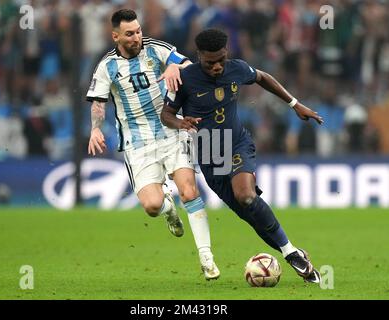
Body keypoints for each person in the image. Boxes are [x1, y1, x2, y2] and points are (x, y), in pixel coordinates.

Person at [161, 28, 324, 283]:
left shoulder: (237, 68)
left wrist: (295, 104)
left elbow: (262, 77)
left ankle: (292, 255)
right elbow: (166, 115)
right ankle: (291, 250)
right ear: (199, 56)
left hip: (237, 144)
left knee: (246, 196)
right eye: (209, 62)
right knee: (250, 214)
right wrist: (181, 122)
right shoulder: (186, 79)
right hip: (210, 155)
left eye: (221, 60)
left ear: (226, 53)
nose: (217, 67)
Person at [86, 9, 220, 280]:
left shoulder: (156, 48)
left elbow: (188, 65)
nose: (136, 37)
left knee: (189, 191)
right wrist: (95, 130)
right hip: (137, 143)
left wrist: (174, 65)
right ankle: (169, 211)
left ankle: (206, 257)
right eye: (129, 34)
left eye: (138, 31)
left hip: (171, 131)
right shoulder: (107, 66)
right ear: (115, 36)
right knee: (151, 205)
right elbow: (99, 103)